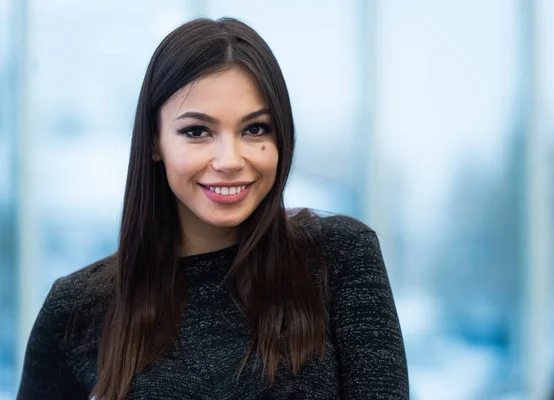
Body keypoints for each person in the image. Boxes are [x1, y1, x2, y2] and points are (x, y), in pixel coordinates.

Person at [17, 17, 409, 400]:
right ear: (155, 142)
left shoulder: (339, 255)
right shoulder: (76, 308)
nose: (229, 159)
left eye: (255, 129)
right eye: (197, 131)